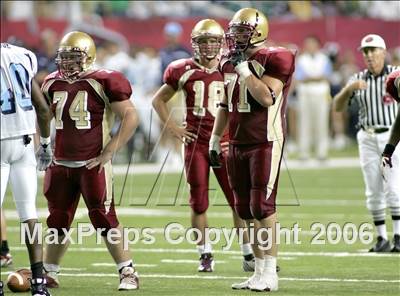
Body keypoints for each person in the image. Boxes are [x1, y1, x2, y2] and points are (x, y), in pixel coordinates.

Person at [152, 19, 255, 272]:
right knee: (198, 202)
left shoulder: (231, 67)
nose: (209, 46)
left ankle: (248, 253)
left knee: (238, 201)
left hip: (225, 142)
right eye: (203, 41)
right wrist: (175, 128)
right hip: (196, 143)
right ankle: (204, 253)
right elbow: (158, 100)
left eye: (213, 41)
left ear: (221, 43)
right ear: (194, 44)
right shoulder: (182, 68)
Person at [40, 31, 140, 290]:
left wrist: (109, 150)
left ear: (88, 57)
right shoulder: (51, 82)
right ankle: (51, 272)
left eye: (74, 58)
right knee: (57, 219)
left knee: (104, 218)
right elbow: (44, 117)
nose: (68, 63)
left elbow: (130, 116)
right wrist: (42, 144)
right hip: (60, 162)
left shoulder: (103, 80)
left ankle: (128, 271)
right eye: (64, 58)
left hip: (92, 163)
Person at [210, 8, 295, 292]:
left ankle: (271, 273)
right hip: (236, 141)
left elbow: (266, 97)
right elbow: (225, 104)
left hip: (265, 140)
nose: (235, 38)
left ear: (258, 32)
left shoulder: (276, 57)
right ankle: (258, 273)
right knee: (245, 210)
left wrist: (244, 70)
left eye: (242, 32)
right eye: (233, 32)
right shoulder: (228, 63)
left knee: (262, 207)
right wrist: (214, 139)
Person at [334, 34, 400, 252]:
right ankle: (382, 238)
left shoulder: (395, 75)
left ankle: (398, 235)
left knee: (394, 186)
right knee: (373, 188)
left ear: (383, 52)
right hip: (367, 137)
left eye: (373, 50)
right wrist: (348, 90)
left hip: (391, 134)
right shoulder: (357, 78)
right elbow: (337, 107)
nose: (370, 55)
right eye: (366, 52)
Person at [1, 42, 52, 296]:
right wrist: (45, 143)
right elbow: (43, 108)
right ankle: (39, 284)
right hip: (25, 141)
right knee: (29, 214)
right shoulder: (23, 55)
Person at [295, 35, 332, 160]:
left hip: (321, 93)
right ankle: (304, 152)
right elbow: (300, 77)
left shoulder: (324, 59)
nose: (309, 46)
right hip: (305, 94)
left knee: (321, 122)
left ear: (317, 45)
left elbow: (327, 76)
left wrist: (310, 78)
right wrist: (316, 77)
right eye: (307, 44)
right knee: (304, 122)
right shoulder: (301, 59)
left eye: (312, 44)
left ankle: (322, 152)